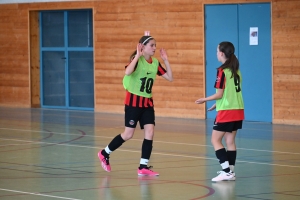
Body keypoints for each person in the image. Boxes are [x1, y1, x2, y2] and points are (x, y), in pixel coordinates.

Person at [98, 35, 173, 176]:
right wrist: (137, 56)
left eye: (155, 45)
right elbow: (127, 72)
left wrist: (166, 60)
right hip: (133, 103)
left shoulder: (155, 63)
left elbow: (170, 78)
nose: (154, 48)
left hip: (147, 103)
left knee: (150, 132)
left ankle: (142, 167)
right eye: (152, 45)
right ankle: (104, 153)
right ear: (142, 47)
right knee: (128, 134)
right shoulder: (137, 61)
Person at [195, 41, 244, 182]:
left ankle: (226, 171)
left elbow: (220, 94)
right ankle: (231, 172)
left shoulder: (222, 71)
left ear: (222, 53)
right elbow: (231, 93)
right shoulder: (236, 70)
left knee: (215, 140)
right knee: (230, 141)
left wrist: (205, 99)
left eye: (217, 51)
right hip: (238, 110)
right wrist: (217, 105)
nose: (216, 53)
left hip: (227, 112)